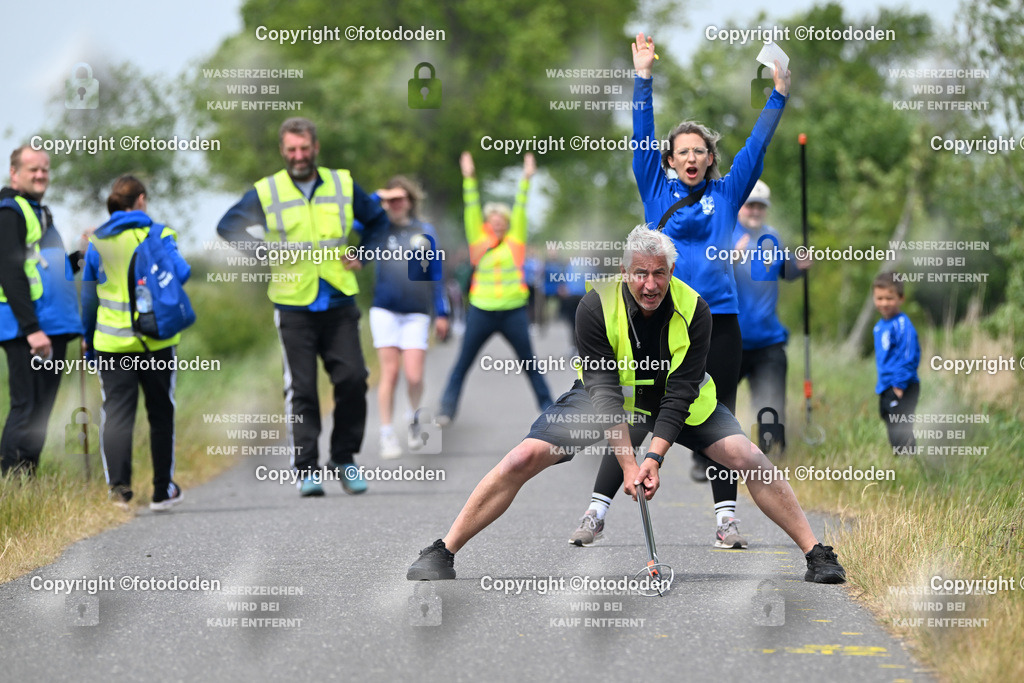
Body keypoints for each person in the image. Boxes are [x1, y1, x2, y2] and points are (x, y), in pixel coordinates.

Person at [407, 226, 846, 585]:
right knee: (524, 455)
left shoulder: (697, 310)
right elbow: (605, 396)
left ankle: (816, 553)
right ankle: (443, 550)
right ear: (624, 271)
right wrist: (628, 463)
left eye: (659, 273)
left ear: (671, 270)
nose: (650, 284)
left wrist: (652, 457)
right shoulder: (594, 305)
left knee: (748, 456)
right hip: (607, 398)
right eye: (640, 273)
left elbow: (681, 393)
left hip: (683, 400)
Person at [567, 33, 791, 549]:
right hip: (660, 319)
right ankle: (596, 512)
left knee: (722, 421)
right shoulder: (654, 185)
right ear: (669, 160)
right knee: (638, 411)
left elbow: (757, 147)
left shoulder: (727, 192)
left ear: (711, 159)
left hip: (720, 320)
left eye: (701, 151)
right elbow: (641, 134)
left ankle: (726, 520)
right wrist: (642, 78)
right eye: (683, 151)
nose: (692, 158)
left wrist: (777, 95)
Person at [217, 117, 389, 496]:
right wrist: (261, 251)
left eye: (304, 148)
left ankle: (343, 457)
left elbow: (378, 221)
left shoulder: (342, 184)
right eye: (291, 150)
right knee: (303, 390)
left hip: (338, 297)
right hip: (292, 302)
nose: (298, 156)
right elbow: (227, 226)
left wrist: (364, 251)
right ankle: (306, 468)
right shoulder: (267, 191)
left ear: (316, 147)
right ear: (283, 151)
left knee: (353, 379)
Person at [81, 176, 188, 510]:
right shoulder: (160, 234)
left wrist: (88, 340)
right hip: (157, 344)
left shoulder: (97, 241)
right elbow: (182, 273)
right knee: (161, 414)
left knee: (116, 417)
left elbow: (88, 298)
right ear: (141, 199)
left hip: (112, 346)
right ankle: (162, 491)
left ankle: (119, 493)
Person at [436, 152, 552, 424]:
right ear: (487, 222)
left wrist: (526, 179)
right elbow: (471, 205)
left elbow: (522, 206)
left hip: (513, 311)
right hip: (482, 311)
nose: (498, 221)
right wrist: (468, 178)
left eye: (502, 218)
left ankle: (549, 408)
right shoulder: (478, 240)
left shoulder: (516, 242)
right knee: (463, 362)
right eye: (493, 218)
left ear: (508, 223)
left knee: (530, 363)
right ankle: (446, 409)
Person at [0, 145, 83, 476]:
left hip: (52, 325)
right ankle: (9, 484)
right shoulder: (10, 212)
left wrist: (80, 257)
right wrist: (32, 329)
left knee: (42, 410)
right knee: (26, 407)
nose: (40, 175)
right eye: (33, 169)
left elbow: (48, 269)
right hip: (28, 329)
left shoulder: (40, 213)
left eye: (45, 169)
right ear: (14, 172)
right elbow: (9, 271)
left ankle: (27, 485)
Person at [370, 176, 449, 458]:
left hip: (416, 312)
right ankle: (387, 433)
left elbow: (434, 273)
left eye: (400, 198)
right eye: (390, 200)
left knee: (414, 376)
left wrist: (442, 312)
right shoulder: (379, 228)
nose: (395, 204)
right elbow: (355, 220)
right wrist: (377, 194)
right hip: (385, 310)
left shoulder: (423, 230)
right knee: (389, 374)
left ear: (410, 201)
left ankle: (414, 418)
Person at [732, 180, 810, 453]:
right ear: (740, 206)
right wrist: (728, 259)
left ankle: (772, 456)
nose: (755, 211)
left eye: (760, 207)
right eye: (750, 205)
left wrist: (800, 265)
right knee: (717, 401)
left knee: (771, 402)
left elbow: (786, 271)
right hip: (732, 339)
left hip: (768, 339)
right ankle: (713, 457)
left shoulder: (772, 237)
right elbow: (706, 277)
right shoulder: (726, 234)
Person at [872, 272, 920, 455]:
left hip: (902, 385)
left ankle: (908, 458)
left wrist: (899, 386)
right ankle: (900, 457)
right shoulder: (880, 325)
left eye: (889, 298)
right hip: (885, 386)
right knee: (890, 422)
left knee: (901, 425)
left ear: (901, 298)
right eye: (880, 298)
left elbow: (908, 356)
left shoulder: (902, 324)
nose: (884, 303)